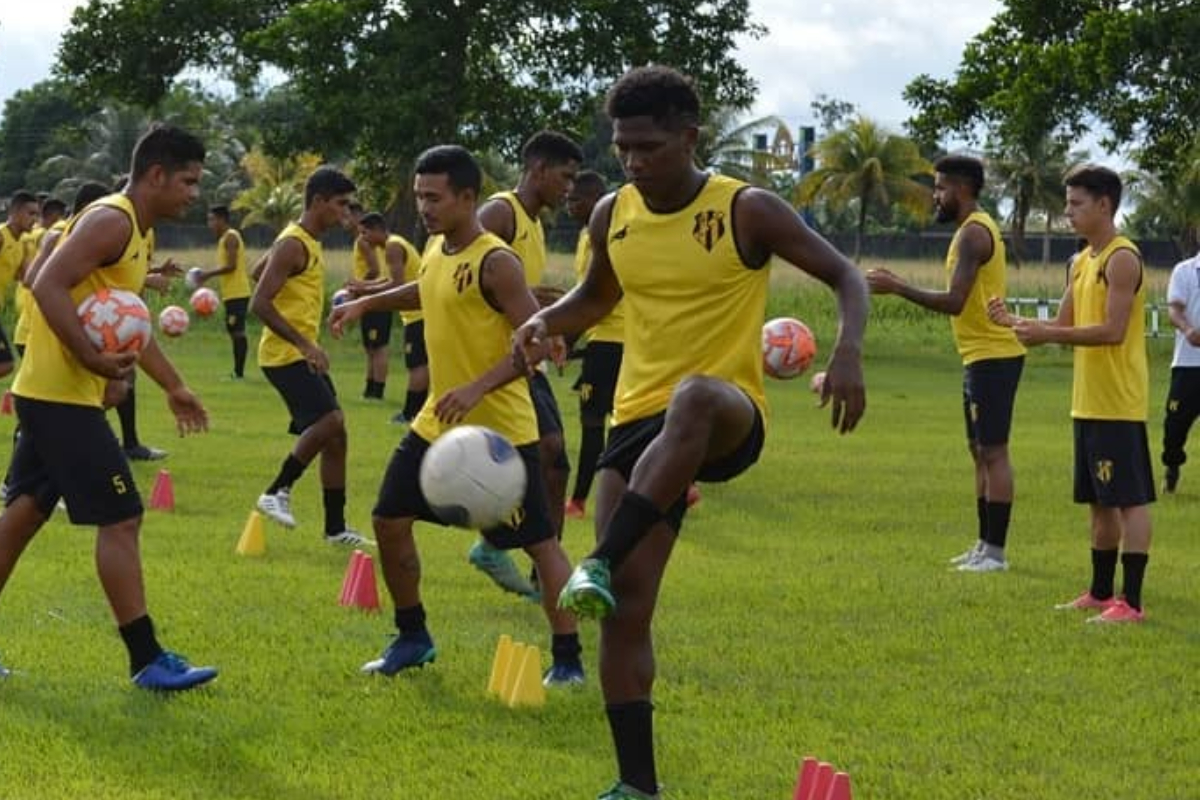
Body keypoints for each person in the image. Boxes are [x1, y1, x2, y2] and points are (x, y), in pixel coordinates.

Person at [513, 66, 868, 800]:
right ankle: (636, 785)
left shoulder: (747, 209)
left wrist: (848, 349)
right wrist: (549, 321)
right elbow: (598, 295)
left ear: (688, 137)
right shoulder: (613, 213)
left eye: (648, 147)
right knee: (625, 616)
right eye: (622, 149)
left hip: (725, 414)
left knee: (696, 396)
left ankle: (598, 560)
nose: (634, 162)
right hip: (635, 423)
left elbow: (846, 277)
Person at [329, 144, 584, 684]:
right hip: (437, 423)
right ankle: (412, 636)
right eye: (420, 196)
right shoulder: (439, 248)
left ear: (468, 197)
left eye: (434, 197)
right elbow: (427, 289)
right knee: (387, 519)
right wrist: (366, 303)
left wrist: (476, 387)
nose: (424, 207)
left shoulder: (497, 262)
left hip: (501, 435)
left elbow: (536, 346)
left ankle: (568, 658)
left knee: (540, 544)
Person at [0, 124, 216, 691]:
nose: (193, 194)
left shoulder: (137, 232)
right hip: (60, 396)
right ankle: (146, 659)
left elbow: (131, 326)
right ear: (155, 175)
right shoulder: (113, 219)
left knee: (20, 519)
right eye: (188, 182)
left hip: (53, 393)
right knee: (122, 517)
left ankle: (146, 659)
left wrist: (174, 386)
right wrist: (94, 361)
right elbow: (45, 284)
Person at [988, 164, 1153, 623]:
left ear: (1105, 204)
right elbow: (1061, 329)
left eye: (1077, 204)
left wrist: (1041, 333)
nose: (1068, 213)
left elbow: (1112, 331)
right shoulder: (1080, 261)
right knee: (1099, 501)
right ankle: (1101, 593)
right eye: (1067, 203)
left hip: (1118, 401)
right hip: (1086, 400)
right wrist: (1016, 324)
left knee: (1130, 500)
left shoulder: (1122, 258)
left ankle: (1131, 601)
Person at [866, 155, 1025, 572]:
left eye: (940, 188)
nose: (935, 196)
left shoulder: (974, 234)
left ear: (963, 189)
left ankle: (996, 552)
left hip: (995, 354)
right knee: (978, 451)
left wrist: (898, 286)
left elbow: (955, 302)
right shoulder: (965, 233)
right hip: (977, 355)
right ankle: (982, 545)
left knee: (994, 452)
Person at [468, 129, 583, 599]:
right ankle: (495, 544)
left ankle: (542, 572)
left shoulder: (535, 224)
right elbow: (466, 275)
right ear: (537, 170)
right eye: (565, 176)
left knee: (555, 461)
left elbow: (516, 294)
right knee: (546, 451)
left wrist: (547, 325)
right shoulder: (501, 212)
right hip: (492, 359)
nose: (570, 187)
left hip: (522, 356)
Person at [252, 166, 369, 547]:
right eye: (340, 204)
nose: (346, 213)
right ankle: (276, 490)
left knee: (337, 436)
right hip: (284, 355)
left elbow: (258, 272)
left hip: (298, 352)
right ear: (318, 201)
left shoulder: (302, 239)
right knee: (330, 419)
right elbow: (260, 302)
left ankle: (335, 529)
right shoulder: (294, 243)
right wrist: (305, 343)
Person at [563, 170, 625, 519]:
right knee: (630, 419)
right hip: (615, 343)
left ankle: (578, 500)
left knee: (592, 422)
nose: (568, 205)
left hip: (607, 344)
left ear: (593, 200)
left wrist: (566, 337)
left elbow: (596, 299)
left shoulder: (603, 238)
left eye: (574, 200)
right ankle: (684, 485)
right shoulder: (591, 235)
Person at [342, 212, 425, 420]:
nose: (364, 239)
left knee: (417, 364)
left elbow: (397, 285)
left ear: (377, 230)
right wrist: (363, 286)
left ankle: (410, 414)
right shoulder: (396, 243)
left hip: (419, 314)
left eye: (365, 233)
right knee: (419, 363)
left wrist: (364, 295)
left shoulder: (392, 247)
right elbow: (388, 280)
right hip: (416, 313)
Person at [1159, 247, 1200, 493]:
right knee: (1175, 424)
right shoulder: (1184, 271)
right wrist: (1187, 330)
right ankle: (1172, 467)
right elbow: (1174, 309)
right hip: (1188, 363)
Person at [348, 212, 400, 399]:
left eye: (348, 214)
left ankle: (377, 391)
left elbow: (376, 271)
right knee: (371, 347)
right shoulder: (379, 244)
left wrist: (361, 286)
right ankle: (370, 389)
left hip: (378, 299)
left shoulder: (389, 244)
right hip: (372, 295)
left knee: (379, 347)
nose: (345, 220)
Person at [196, 205, 251, 379]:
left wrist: (207, 274)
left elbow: (231, 266)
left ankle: (239, 373)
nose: (209, 224)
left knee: (237, 331)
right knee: (233, 329)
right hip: (231, 293)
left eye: (211, 219)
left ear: (221, 219)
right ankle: (237, 372)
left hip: (238, 292)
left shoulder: (231, 237)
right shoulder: (223, 239)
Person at [0, 191, 40, 378]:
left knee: (6, 364)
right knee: (5, 363)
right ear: (14, 213)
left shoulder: (21, 244)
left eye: (37, 214)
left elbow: (29, 279)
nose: (35, 219)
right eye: (30, 213)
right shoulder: (1, 236)